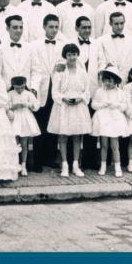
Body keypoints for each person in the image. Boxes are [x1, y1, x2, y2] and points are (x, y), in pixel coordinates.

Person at [48, 44, 92, 178]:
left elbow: (87, 91)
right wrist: (63, 99)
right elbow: (54, 92)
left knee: (77, 136)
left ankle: (75, 165)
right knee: (63, 136)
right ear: (65, 56)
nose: (72, 57)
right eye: (69, 55)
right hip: (64, 107)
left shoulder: (82, 72)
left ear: (77, 56)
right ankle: (64, 165)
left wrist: (81, 98)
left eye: (74, 54)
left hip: (78, 106)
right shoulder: (60, 72)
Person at [30, 14, 65, 172]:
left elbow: (63, 65)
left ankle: (50, 158)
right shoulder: (34, 45)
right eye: (51, 27)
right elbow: (34, 68)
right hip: (41, 87)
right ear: (44, 27)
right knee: (39, 125)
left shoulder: (63, 44)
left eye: (56, 27)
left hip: (56, 88)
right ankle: (37, 160)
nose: (54, 30)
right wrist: (34, 89)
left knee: (53, 124)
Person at [73, 16, 100, 171]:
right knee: (75, 126)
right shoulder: (70, 44)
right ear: (77, 28)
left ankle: (90, 160)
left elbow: (101, 61)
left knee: (91, 126)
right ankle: (73, 160)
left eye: (89, 27)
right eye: (84, 27)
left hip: (93, 89)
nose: (87, 30)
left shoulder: (96, 44)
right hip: (76, 91)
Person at [91, 66, 128, 177]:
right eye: (106, 80)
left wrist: (116, 105)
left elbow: (124, 106)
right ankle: (103, 166)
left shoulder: (119, 92)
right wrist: (102, 105)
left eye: (111, 81)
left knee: (114, 144)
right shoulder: (99, 91)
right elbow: (93, 104)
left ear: (116, 81)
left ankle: (117, 166)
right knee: (104, 144)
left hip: (115, 120)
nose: (108, 83)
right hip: (103, 120)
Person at [7, 76, 40, 177]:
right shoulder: (10, 94)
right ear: (13, 86)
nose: (20, 90)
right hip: (14, 119)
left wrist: (28, 104)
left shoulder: (28, 94)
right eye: (17, 88)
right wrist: (13, 106)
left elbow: (36, 105)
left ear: (25, 85)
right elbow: (6, 105)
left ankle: (24, 165)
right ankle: (15, 164)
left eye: (22, 87)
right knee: (15, 143)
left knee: (24, 143)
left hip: (25, 119)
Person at [96, 12, 132, 83]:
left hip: (127, 80)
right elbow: (100, 61)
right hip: (109, 80)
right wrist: (106, 67)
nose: (119, 27)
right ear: (110, 24)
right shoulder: (101, 41)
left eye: (121, 23)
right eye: (116, 24)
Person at [0, 15, 32, 90]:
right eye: (15, 27)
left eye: (21, 27)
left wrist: (33, 88)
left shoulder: (30, 48)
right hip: (7, 91)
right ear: (7, 28)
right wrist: (3, 90)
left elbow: (36, 71)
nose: (18, 30)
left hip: (26, 91)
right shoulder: (0, 49)